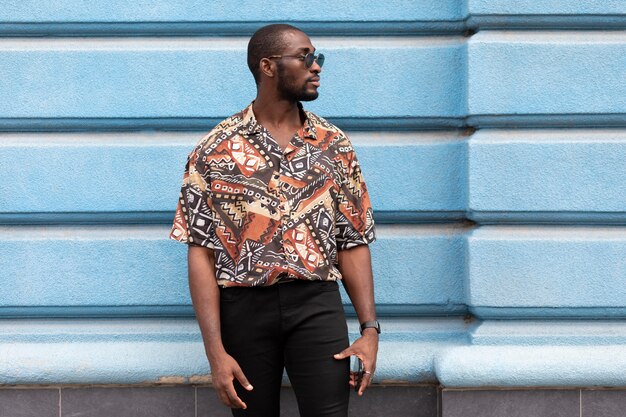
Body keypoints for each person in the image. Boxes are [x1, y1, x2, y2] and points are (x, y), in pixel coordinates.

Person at [169, 23, 379, 417]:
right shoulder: (215, 149)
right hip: (243, 309)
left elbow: (353, 240)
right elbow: (201, 253)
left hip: (316, 305)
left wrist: (370, 330)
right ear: (268, 66)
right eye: (305, 57)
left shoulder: (334, 145)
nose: (316, 66)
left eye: (317, 57)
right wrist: (215, 353)